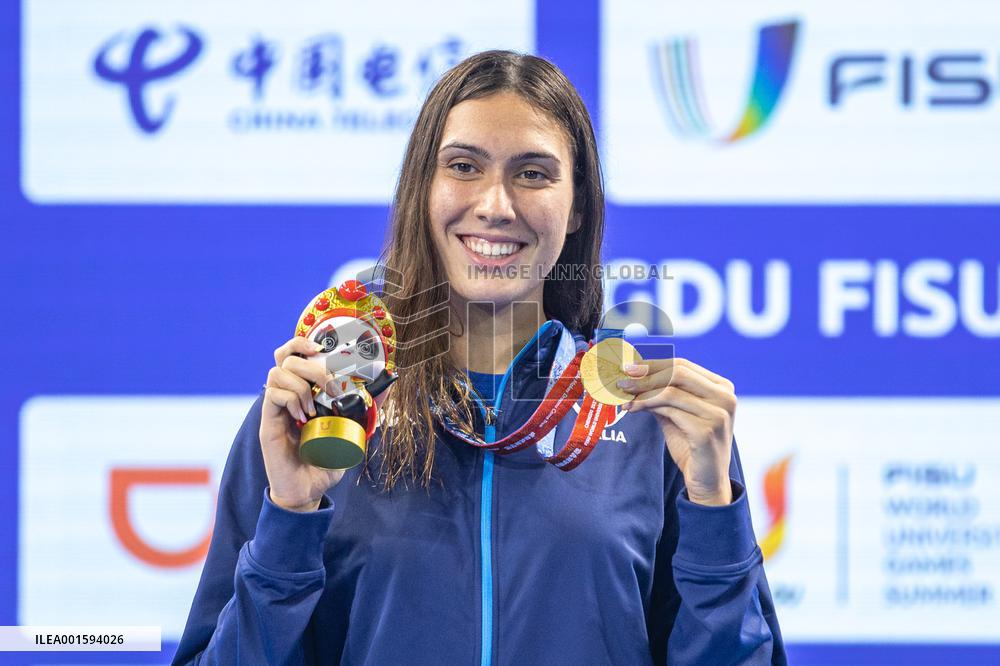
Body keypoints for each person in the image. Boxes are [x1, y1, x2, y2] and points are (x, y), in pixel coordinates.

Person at [173, 50, 786, 665]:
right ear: (424, 188)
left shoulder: (651, 417)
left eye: (533, 173)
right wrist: (288, 519)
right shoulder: (318, 412)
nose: (496, 204)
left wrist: (713, 513)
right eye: (464, 166)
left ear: (576, 206)